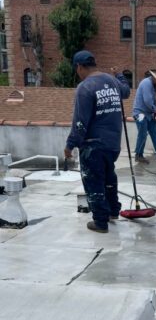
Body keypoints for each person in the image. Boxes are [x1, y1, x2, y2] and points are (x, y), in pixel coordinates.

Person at [64, 50, 130, 233]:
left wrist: (70, 145)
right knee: (109, 177)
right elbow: (126, 92)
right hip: (113, 143)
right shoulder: (112, 81)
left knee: (94, 182)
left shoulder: (85, 87)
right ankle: (113, 211)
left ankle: (100, 222)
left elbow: (80, 122)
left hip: (93, 145)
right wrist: (119, 75)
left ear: (79, 67)